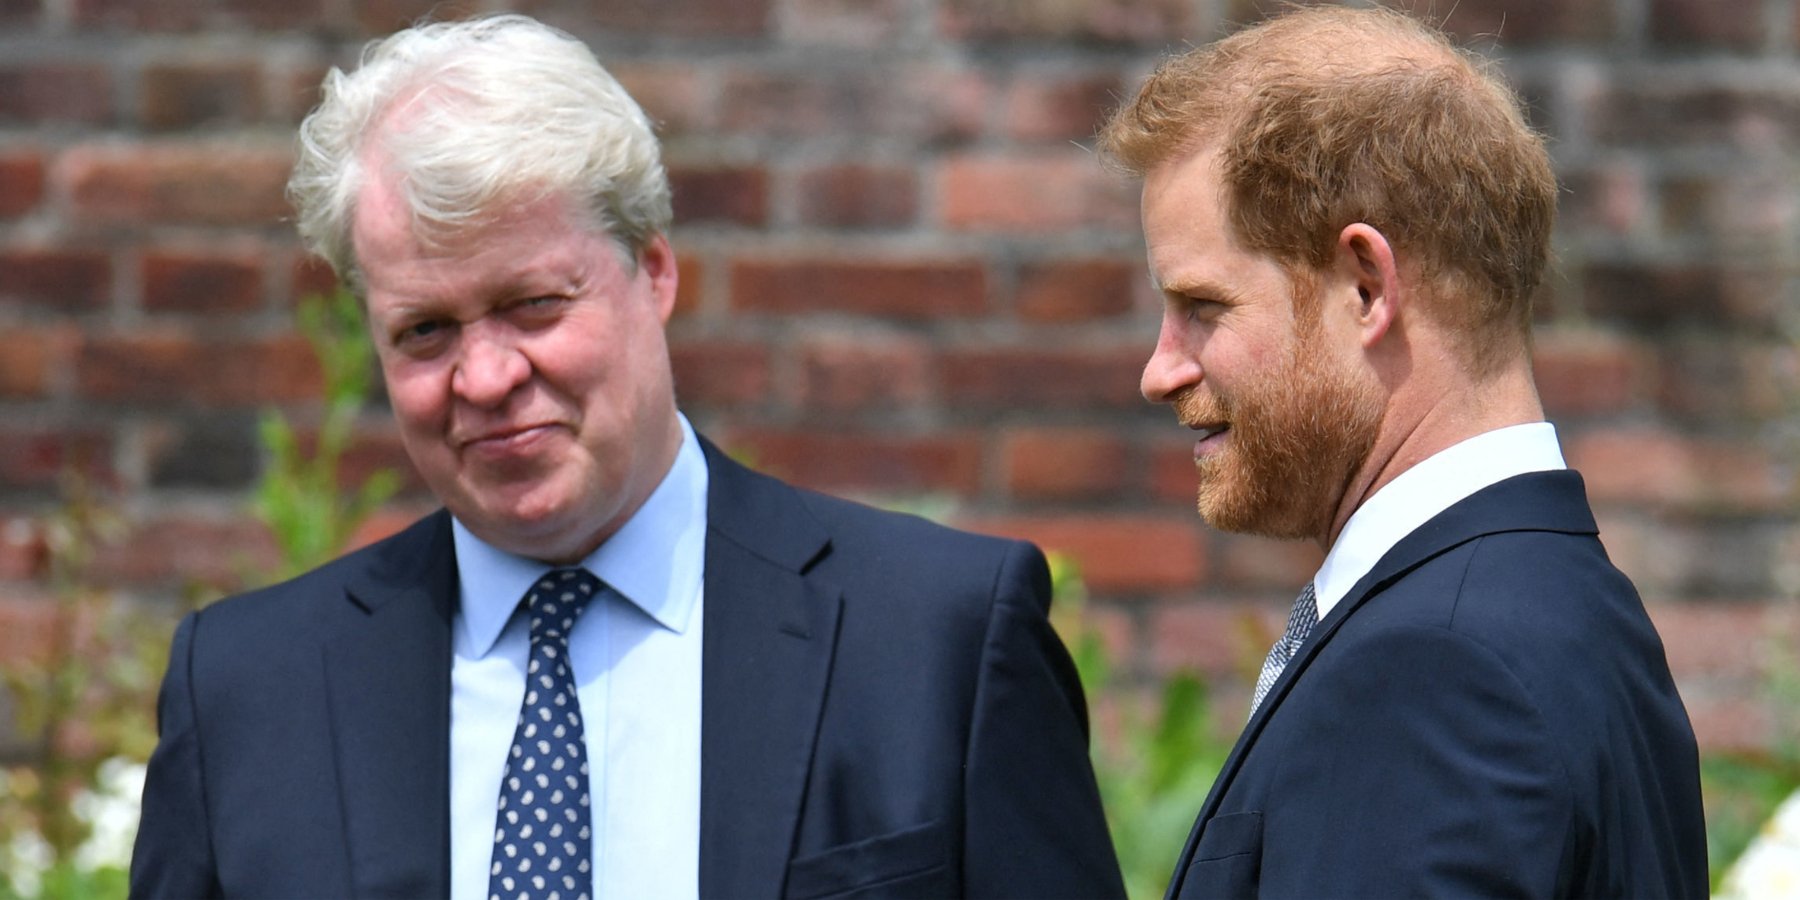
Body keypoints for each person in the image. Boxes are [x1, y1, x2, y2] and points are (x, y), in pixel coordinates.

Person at [129, 14, 1123, 899]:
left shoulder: (933, 640)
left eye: (533, 305)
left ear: (652, 272)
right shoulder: (248, 692)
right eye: (426, 330)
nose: (483, 376)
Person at [1097, 6, 1706, 897]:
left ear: (1365, 285)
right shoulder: (1564, 611)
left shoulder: (1433, 672)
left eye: (1205, 307)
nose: (1159, 371)